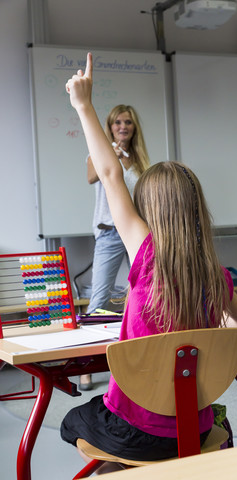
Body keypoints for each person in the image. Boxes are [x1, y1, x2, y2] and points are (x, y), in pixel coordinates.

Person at [62, 53, 237, 473]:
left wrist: (83, 105)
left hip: (136, 432)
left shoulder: (146, 254)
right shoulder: (216, 275)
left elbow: (111, 175)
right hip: (198, 428)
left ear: (148, 211)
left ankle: (128, 469)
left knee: (74, 420)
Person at [79, 104, 150, 391]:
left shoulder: (141, 159)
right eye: (118, 122)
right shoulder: (99, 152)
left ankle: (138, 360)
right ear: (109, 127)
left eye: (128, 122)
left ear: (134, 128)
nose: (123, 127)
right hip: (109, 235)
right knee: (99, 300)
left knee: (143, 293)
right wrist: (112, 154)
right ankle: (86, 367)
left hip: (134, 233)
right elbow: (92, 177)